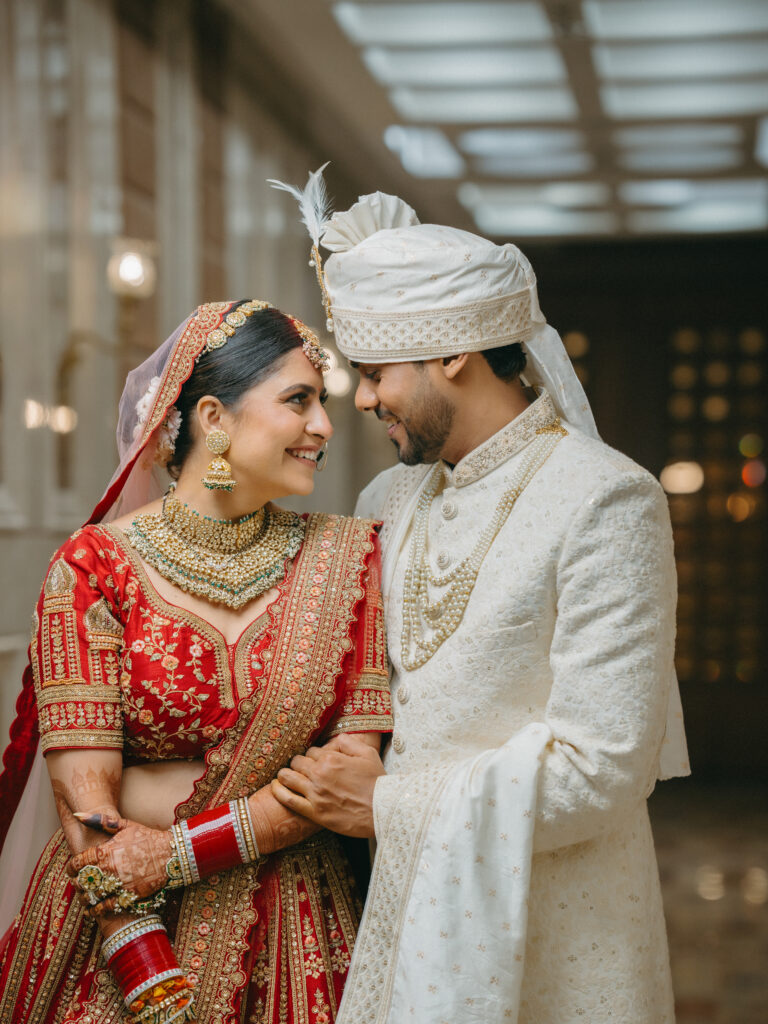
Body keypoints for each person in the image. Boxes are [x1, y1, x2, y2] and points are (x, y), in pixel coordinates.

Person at [269, 184, 691, 1024]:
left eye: (377, 372)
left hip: (556, 927)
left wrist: (387, 804)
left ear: (451, 353)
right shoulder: (387, 496)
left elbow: (603, 766)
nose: (361, 399)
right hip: (405, 906)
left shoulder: (607, 499)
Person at [0, 299, 392, 1023]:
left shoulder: (354, 557)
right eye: (298, 401)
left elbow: (342, 778)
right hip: (117, 928)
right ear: (214, 417)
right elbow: (91, 817)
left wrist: (172, 845)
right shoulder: (93, 568)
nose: (324, 427)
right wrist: (144, 968)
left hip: (302, 928)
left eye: (323, 402)